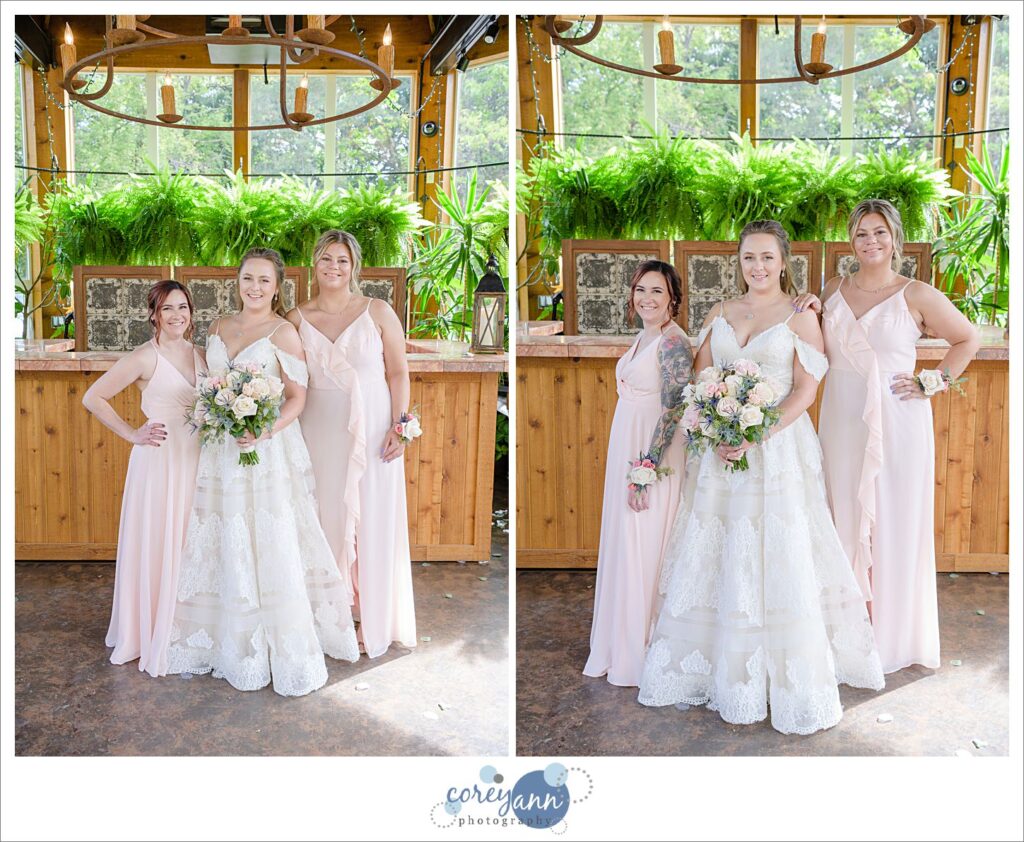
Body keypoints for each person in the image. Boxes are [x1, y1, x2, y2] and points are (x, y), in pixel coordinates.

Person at [639, 220, 884, 734]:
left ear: (783, 261)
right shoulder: (722, 312)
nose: (758, 267)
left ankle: (779, 674)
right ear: (740, 262)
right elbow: (702, 377)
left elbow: (804, 392)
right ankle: (721, 667)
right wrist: (712, 419)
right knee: (721, 548)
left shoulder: (801, 317)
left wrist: (757, 433)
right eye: (749, 258)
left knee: (777, 549)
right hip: (719, 453)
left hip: (776, 452)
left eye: (767, 258)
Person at [792, 199, 980, 673]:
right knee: (842, 516)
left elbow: (967, 339)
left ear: (895, 237)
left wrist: (930, 383)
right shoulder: (834, 288)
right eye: (860, 234)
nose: (870, 242)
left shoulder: (916, 294)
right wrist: (813, 306)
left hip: (898, 423)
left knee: (891, 520)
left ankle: (892, 637)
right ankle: (846, 635)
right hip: (840, 420)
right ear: (850, 241)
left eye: (878, 232)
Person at [165, 247, 359, 696]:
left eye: (264, 281)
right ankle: (224, 638)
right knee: (223, 535)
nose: (254, 287)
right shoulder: (216, 326)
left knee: (268, 537)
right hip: (220, 452)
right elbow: (203, 382)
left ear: (277, 287)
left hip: (264, 449)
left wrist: (262, 431)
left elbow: (297, 398)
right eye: (248, 279)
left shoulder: (283, 333)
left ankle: (274, 642)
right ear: (238, 281)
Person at [287, 230, 417, 658]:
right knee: (327, 519)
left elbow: (397, 372)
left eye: (342, 260)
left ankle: (373, 617)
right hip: (319, 427)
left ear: (354, 266)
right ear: (314, 264)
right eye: (326, 259)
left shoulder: (377, 311)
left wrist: (399, 425)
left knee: (372, 520)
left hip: (375, 425)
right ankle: (331, 617)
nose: (334, 268)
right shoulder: (295, 318)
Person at [82, 281, 203, 677]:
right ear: (154, 314)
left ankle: (188, 627)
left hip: (196, 460)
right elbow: (93, 398)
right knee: (158, 541)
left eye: (182, 307)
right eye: (167, 308)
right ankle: (150, 629)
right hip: (159, 463)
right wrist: (133, 433)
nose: (176, 315)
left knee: (190, 542)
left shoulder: (202, 355)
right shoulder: (143, 358)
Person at [583, 260, 692, 687]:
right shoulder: (643, 336)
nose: (647, 298)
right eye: (641, 290)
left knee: (644, 545)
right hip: (626, 444)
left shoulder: (672, 343)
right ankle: (620, 640)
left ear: (673, 300)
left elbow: (675, 408)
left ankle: (643, 645)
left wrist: (647, 467)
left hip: (653, 455)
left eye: (657, 292)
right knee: (626, 542)